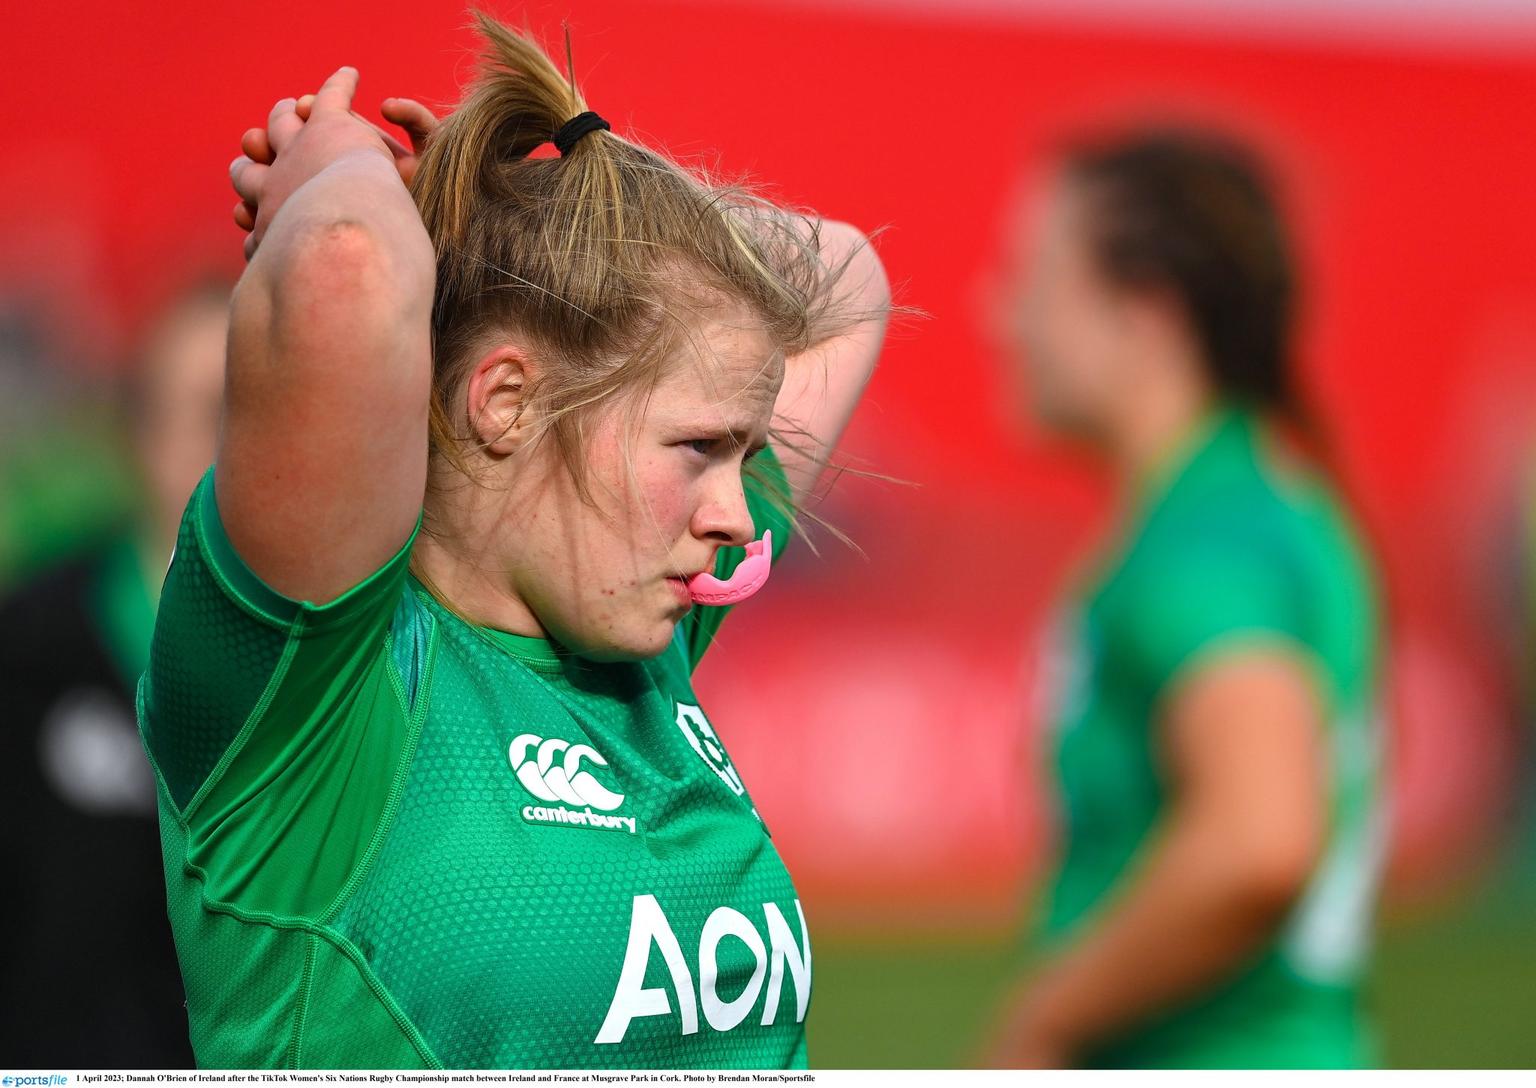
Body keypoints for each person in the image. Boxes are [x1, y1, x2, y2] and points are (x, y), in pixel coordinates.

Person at [138, 15, 888, 1070]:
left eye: (745, 450)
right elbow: (347, 263)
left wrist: (506, 211)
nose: (734, 515)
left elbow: (847, 280)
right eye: (701, 446)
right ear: (505, 400)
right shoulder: (316, 698)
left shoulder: (637, 630)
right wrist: (345, 165)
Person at [985, 130, 1383, 1068]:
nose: (1004, 315)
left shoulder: (1208, 540)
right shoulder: (1251, 500)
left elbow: (1260, 838)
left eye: (1035, 277)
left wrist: (1049, 1020)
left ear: (1145, 311)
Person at [0, 282, 226, 1066]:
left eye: (278, 401)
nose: (247, 439)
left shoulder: (356, 667)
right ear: (144, 433)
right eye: (217, 407)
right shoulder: (29, 644)